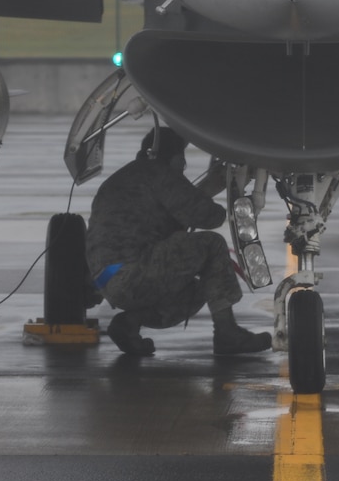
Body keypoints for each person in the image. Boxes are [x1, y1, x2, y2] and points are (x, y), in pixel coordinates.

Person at [86, 125, 271, 358]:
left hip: (108, 281)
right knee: (212, 245)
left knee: (199, 286)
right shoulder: (160, 174)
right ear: (175, 160)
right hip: (134, 273)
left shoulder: (127, 176)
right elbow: (209, 217)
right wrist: (226, 185)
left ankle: (129, 323)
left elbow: (168, 216)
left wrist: (206, 188)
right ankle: (227, 332)